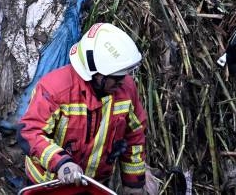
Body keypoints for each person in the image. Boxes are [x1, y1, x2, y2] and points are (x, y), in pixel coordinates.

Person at [20, 23, 148, 193]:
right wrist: (61, 163)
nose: (121, 82)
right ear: (95, 72)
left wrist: (134, 184)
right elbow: (30, 133)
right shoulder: (54, 89)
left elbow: (135, 136)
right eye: (115, 77)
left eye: (123, 75)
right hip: (48, 185)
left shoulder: (126, 89)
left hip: (93, 185)